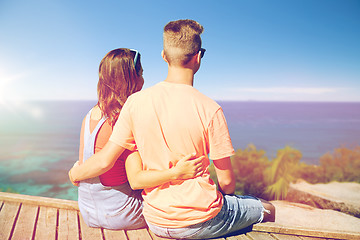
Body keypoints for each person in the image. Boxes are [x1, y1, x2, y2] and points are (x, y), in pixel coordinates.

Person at [69, 19, 275, 239]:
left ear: (164, 56)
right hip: (200, 218)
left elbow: (126, 172)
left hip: (155, 219)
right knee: (268, 208)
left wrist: (75, 173)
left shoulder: (133, 104)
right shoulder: (210, 109)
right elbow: (226, 183)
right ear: (198, 57)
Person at [74, 48, 205, 230]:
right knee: (175, 209)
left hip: (88, 212)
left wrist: (74, 173)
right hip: (121, 213)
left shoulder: (90, 115)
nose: (143, 80)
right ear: (130, 79)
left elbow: (90, 159)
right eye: (141, 74)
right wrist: (178, 172)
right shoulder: (125, 119)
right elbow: (136, 179)